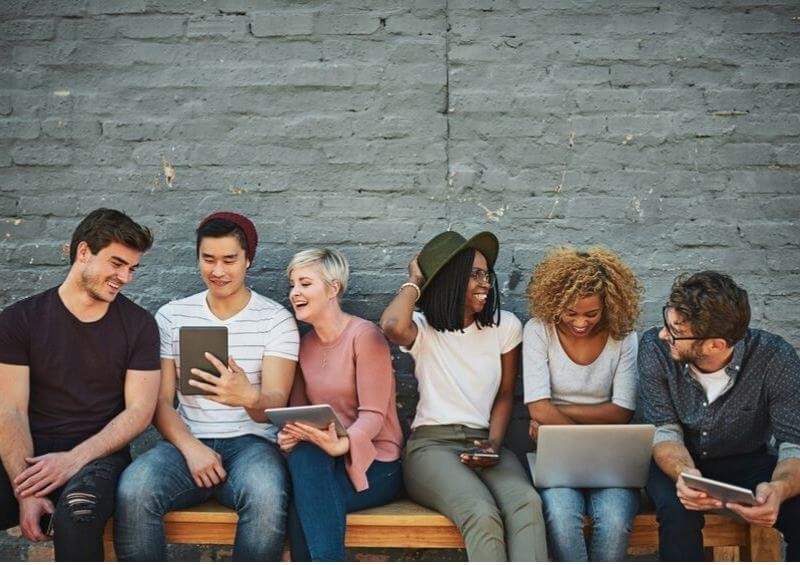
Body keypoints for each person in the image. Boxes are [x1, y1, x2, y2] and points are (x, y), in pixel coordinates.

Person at [113, 212, 299, 561]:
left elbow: (275, 404)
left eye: (230, 260)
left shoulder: (275, 320)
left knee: (266, 493)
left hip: (252, 445)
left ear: (249, 260)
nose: (218, 270)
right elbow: (161, 403)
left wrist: (249, 396)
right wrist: (190, 448)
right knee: (134, 489)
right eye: (208, 259)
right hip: (187, 441)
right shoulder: (172, 316)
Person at [0, 209, 160, 561]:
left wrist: (73, 460)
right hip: (25, 452)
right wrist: (24, 488)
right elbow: (9, 410)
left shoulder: (139, 326)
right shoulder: (19, 320)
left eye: (132, 268)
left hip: (97, 456)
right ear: (84, 252)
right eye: (117, 264)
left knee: (79, 514)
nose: (125, 277)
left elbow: (140, 412)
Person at [380, 230, 547, 562]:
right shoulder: (424, 328)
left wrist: (494, 444)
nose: (485, 283)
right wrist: (415, 279)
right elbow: (391, 324)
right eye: (474, 275)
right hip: (431, 448)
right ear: (452, 280)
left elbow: (504, 395)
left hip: (485, 442)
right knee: (481, 512)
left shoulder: (505, 327)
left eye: (486, 275)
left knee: (527, 504)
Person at [639, 271, 800, 561]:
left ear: (715, 345)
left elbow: (793, 444)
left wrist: (779, 488)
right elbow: (665, 430)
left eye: (675, 330)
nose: (664, 334)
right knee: (678, 511)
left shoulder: (776, 358)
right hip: (677, 459)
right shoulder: (655, 348)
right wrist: (685, 475)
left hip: (745, 459)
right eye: (668, 321)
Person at [279, 248, 404, 561]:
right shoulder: (304, 345)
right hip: (322, 462)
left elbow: (374, 416)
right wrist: (290, 435)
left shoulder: (365, 336)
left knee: (305, 502)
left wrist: (343, 445)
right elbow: (298, 414)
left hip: (377, 462)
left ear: (333, 288)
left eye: (305, 284)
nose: (295, 293)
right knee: (305, 458)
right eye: (293, 285)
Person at [523, 246, 642, 561]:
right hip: (556, 458)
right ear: (554, 303)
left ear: (609, 306)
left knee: (615, 521)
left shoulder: (624, 336)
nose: (580, 323)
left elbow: (622, 411)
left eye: (592, 314)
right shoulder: (538, 331)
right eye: (570, 313)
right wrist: (548, 414)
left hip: (611, 459)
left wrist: (555, 415)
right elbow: (536, 409)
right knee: (561, 520)